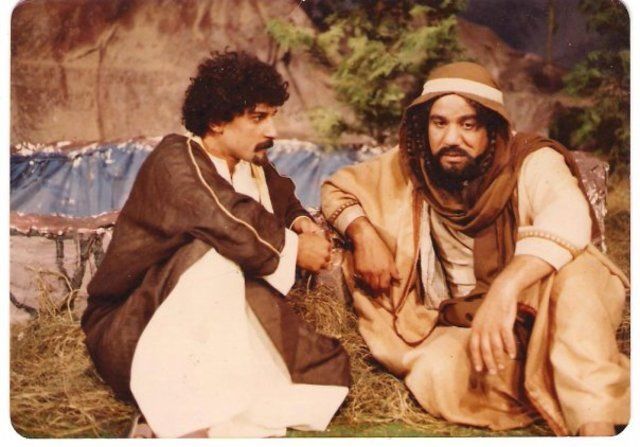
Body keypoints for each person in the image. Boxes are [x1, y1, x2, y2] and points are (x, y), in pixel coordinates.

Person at [321, 61, 629, 436]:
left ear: (491, 128)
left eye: (468, 125)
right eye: (439, 123)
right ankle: (566, 383)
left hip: (542, 299)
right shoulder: (413, 165)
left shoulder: (530, 160)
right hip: (465, 319)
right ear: (424, 126)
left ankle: (596, 428)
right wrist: (363, 233)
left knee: (579, 277)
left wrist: (505, 289)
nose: (452, 138)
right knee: (439, 370)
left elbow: (568, 215)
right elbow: (336, 188)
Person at [82, 50, 350, 438]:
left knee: (320, 378)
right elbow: (225, 214)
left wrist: (300, 221)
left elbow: (282, 195)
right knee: (212, 253)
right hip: (128, 330)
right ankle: (180, 418)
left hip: (217, 333)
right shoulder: (175, 160)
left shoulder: (252, 164)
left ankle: (214, 409)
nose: (272, 131)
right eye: (258, 117)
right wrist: (294, 248)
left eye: (273, 116)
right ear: (217, 121)